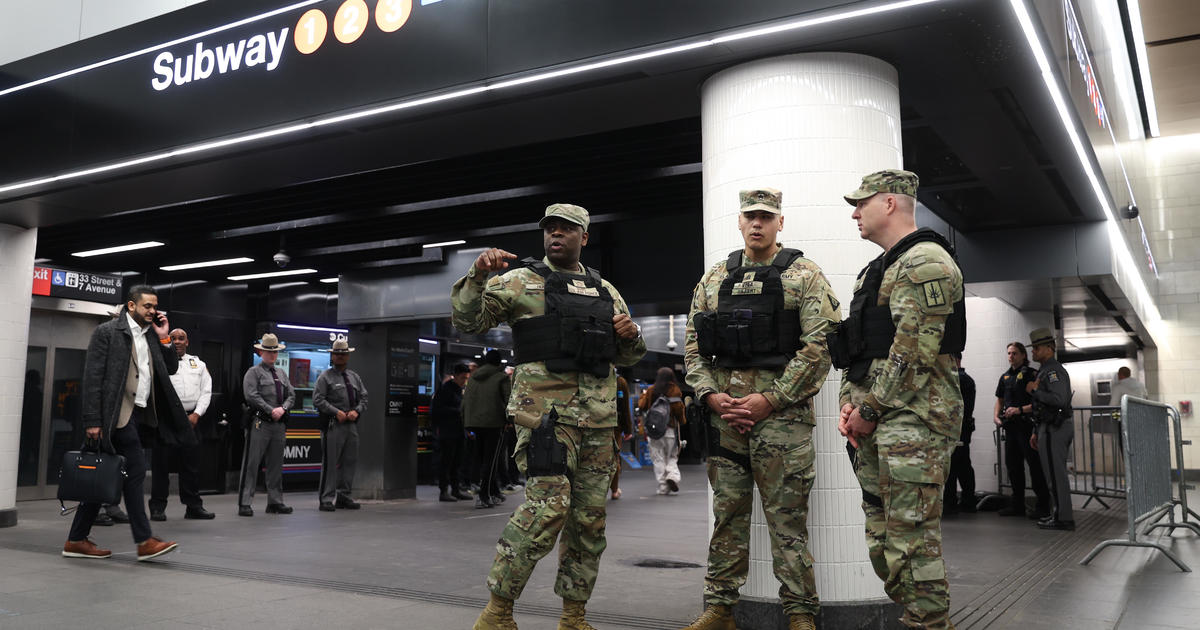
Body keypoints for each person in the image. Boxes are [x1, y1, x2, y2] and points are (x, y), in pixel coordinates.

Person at [452, 202, 646, 630]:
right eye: (550, 229)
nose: (556, 235)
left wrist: (632, 335)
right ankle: (497, 611)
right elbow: (469, 322)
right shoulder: (520, 281)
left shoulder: (605, 291)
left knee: (588, 524)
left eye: (566, 229)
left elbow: (628, 353)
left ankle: (573, 616)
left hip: (597, 424)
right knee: (545, 510)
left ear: (584, 236)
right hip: (544, 421)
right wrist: (477, 276)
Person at [683, 188, 840, 630]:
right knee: (727, 516)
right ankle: (719, 609)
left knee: (787, 523)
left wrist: (771, 398)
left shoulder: (805, 276)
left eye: (766, 217)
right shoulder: (714, 279)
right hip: (726, 419)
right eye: (750, 216)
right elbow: (694, 350)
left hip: (782, 422)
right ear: (739, 221)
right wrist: (711, 396)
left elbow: (820, 346)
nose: (757, 224)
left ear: (780, 223)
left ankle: (801, 615)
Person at [834, 170, 966, 629]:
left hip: (915, 421)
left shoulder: (925, 262)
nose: (854, 212)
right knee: (883, 541)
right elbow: (862, 353)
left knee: (911, 540)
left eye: (861, 203)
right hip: (879, 421)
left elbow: (913, 353)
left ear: (889, 203)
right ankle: (915, 616)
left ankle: (929, 624)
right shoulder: (878, 270)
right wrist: (849, 406)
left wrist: (869, 411)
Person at [61, 284, 188, 562]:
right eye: (148, 306)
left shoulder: (152, 336)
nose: (153, 311)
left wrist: (165, 338)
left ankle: (76, 539)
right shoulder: (107, 332)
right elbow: (93, 378)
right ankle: (143, 540)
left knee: (103, 476)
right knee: (136, 471)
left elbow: (171, 368)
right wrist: (92, 419)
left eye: (155, 307)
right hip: (115, 416)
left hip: (142, 416)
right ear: (131, 306)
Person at [149, 328, 215, 521]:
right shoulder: (159, 362)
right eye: (173, 338)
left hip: (191, 420)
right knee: (161, 466)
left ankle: (193, 506)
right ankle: (158, 507)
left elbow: (206, 390)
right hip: (167, 420)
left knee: (191, 466)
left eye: (181, 338)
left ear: (187, 342)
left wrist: (197, 413)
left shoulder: (199, 364)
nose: (177, 341)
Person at [237, 333, 295, 517]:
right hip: (260, 423)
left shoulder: (281, 374)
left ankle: (275, 502)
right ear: (261, 352)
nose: (272, 355)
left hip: (278, 424)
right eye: (269, 351)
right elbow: (251, 396)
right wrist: (271, 410)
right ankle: (245, 502)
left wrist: (283, 409)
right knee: (252, 464)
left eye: (275, 352)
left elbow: (291, 395)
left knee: (276, 465)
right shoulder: (253, 372)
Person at [993, 342, 1050, 519]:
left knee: (1034, 466)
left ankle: (1043, 505)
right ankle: (1017, 505)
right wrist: (996, 416)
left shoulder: (1031, 375)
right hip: (1011, 428)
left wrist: (1019, 410)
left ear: (1023, 355)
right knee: (1013, 467)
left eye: (1015, 353)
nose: (1011, 356)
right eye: (1009, 353)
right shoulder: (1005, 377)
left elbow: (1038, 402)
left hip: (1027, 426)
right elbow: (1000, 400)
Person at [1028, 328, 1075, 531]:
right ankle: (1058, 513)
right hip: (1047, 426)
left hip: (1056, 427)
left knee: (1056, 475)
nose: (1034, 352)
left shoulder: (1054, 371)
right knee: (1052, 475)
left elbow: (1059, 400)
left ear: (1049, 348)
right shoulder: (1046, 369)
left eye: (1037, 348)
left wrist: (1035, 390)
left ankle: (1063, 517)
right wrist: (1036, 431)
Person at [314, 336, 368, 512]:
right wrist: (335, 412)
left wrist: (357, 410)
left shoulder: (354, 377)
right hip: (333, 425)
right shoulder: (325, 377)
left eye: (343, 354)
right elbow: (318, 399)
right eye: (337, 354)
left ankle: (344, 496)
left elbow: (364, 398)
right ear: (332, 356)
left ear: (348, 356)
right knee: (330, 463)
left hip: (351, 425)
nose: (340, 357)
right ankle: (326, 498)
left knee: (350, 461)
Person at [463, 350, 512, 509]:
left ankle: (494, 491)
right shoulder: (501, 378)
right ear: (499, 363)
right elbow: (509, 401)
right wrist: (509, 420)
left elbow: (465, 402)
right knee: (491, 460)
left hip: (474, 423)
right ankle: (484, 496)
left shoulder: (473, 379)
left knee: (481, 457)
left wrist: (466, 422)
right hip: (493, 423)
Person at [638, 367, 686, 496]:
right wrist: (682, 421)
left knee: (658, 458)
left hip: (654, 431)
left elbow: (642, 406)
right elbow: (679, 411)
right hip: (670, 430)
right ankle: (673, 476)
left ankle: (663, 487)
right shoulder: (675, 390)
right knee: (672, 456)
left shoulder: (651, 390)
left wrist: (643, 396)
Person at [433, 364, 472, 502]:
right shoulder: (445, 390)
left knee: (458, 461)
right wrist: (458, 411)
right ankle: (444, 490)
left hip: (460, 431)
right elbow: (437, 410)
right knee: (446, 461)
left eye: (467, 378)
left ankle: (456, 489)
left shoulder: (462, 390)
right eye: (462, 378)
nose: (464, 381)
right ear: (455, 375)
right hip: (448, 431)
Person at [943, 353, 976, 515]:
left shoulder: (959, 379)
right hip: (960, 429)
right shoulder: (964, 379)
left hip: (957, 429)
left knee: (954, 466)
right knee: (963, 466)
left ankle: (951, 502)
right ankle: (967, 501)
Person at [610, 369, 633, 500]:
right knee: (614, 458)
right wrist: (628, 429)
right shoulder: (619, 381)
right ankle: (614, 490)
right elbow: (625, 408)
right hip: (614, 426)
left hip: (590, 424)